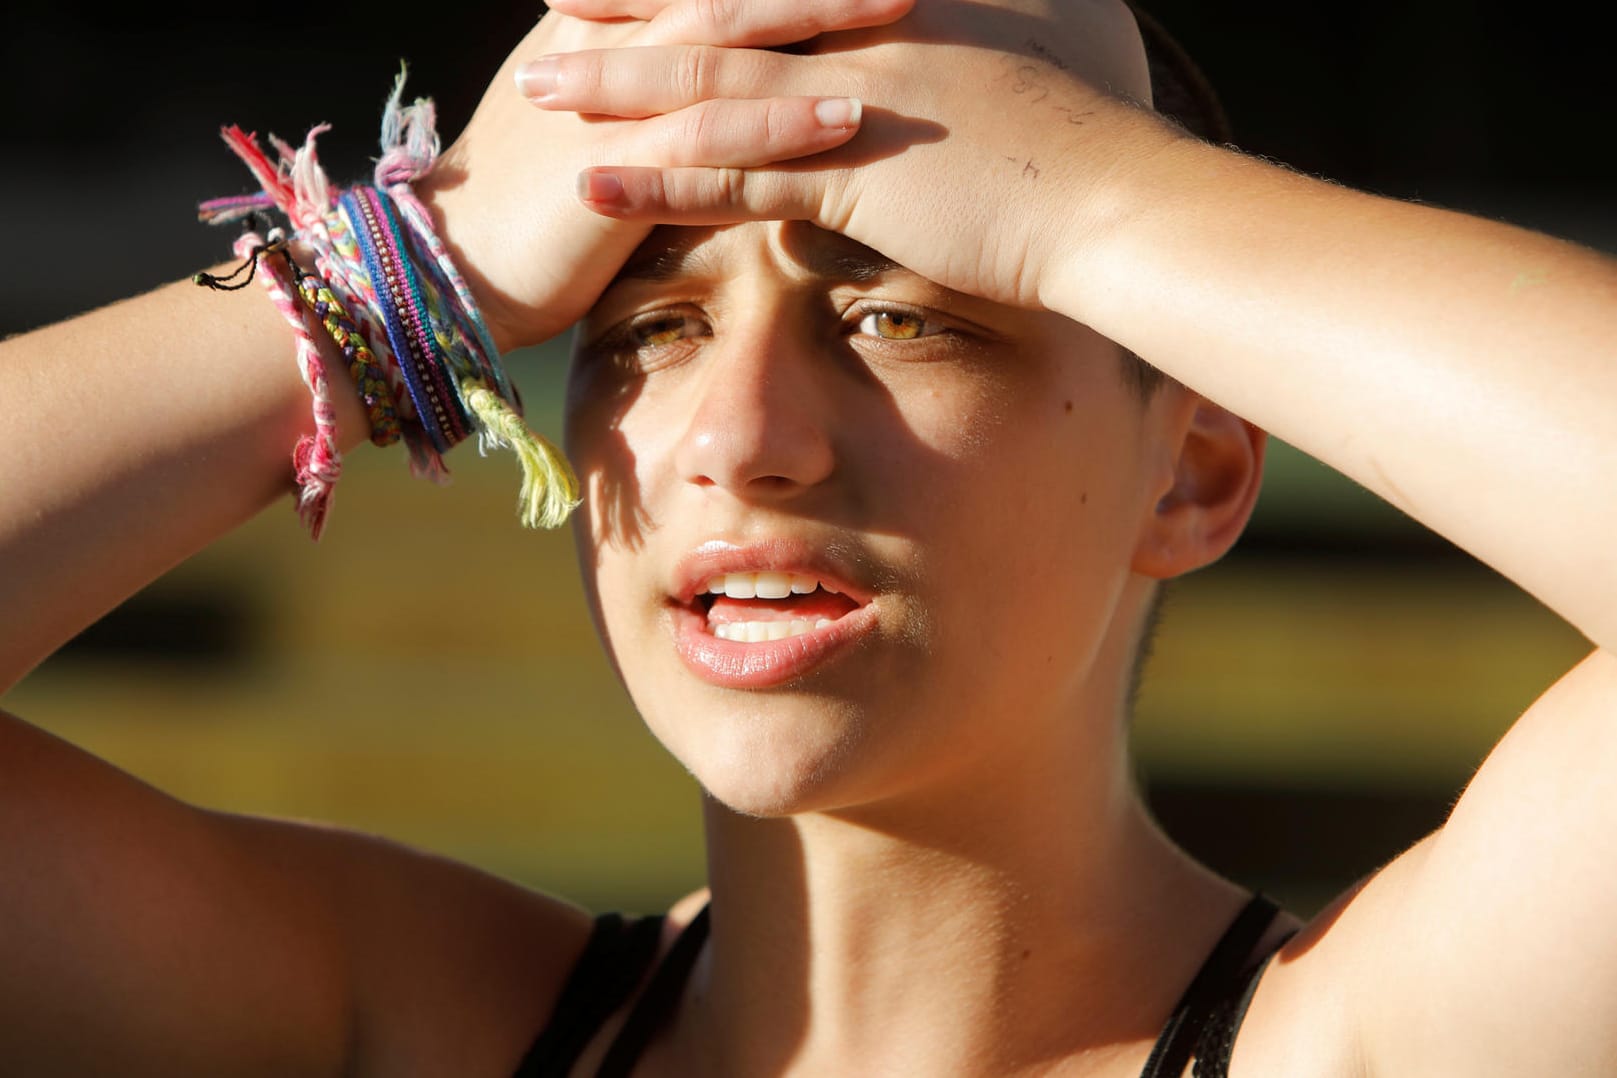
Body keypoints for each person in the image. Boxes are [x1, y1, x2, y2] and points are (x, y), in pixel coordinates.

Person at [2, 0, 1614, 1074]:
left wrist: (1091, 203)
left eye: (908, 315)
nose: (743, 439)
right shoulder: (390, 1022)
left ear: (1189, 470)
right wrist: (410, 274)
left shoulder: (1381, 1040)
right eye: (641, 331)